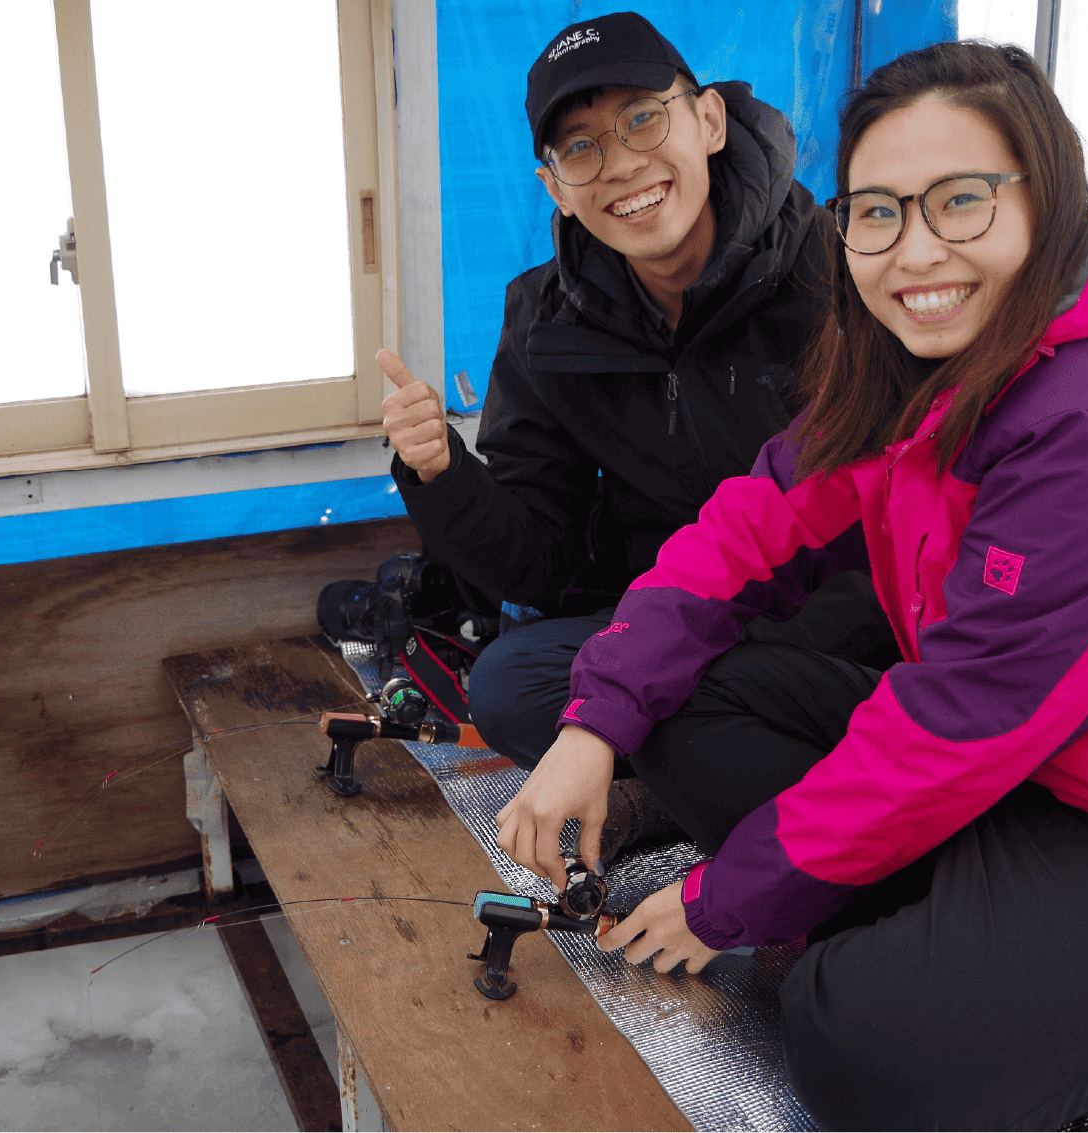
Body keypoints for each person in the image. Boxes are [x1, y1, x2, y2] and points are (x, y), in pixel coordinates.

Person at [497, 39, 1088, 1132]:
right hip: (1044, 786)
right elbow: (745, 528)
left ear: (1046, 198)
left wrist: (725, 901)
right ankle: (1010, 972)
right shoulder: (911, 362)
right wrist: (594, 722)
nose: (914, 251)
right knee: (677, 711)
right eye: (877, 212)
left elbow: (961, 721)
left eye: (959, 200)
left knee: (854, 1034)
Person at [378, 12, 899, 819]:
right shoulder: (546, 320)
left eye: (642, 118)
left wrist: (744, 654)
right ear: (554, 186)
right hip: (672, 620)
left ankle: (679, 781)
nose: (620, 164)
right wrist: (440, 474)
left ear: (709, 121)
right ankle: (707, 766)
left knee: (710, 699)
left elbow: (917, 499)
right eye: (581, 147)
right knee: (511, 684)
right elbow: (538, 562)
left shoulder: (839, 267)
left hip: (850, 628)